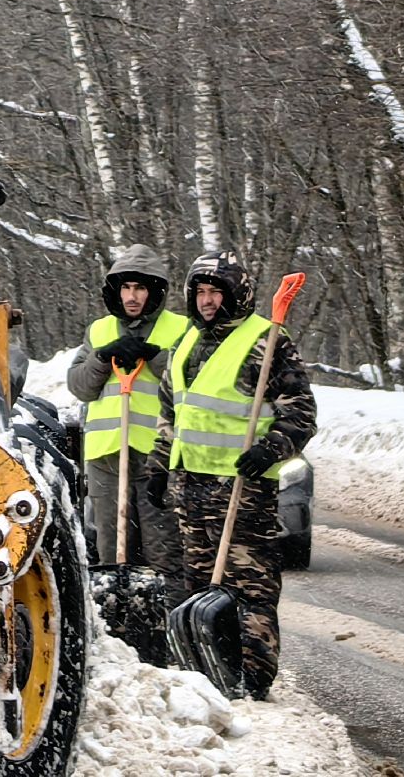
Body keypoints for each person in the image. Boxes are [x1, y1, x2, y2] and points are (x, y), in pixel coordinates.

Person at [146, 249, 316, 701]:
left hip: (242, 486)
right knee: (200, 583)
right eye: (200, 292)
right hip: (191, 486)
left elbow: (301, 413)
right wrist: (160, 464)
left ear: (236, 295)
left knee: (249, 584)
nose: (206, 301)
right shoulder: (186, 342)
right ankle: (208, 667)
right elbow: (172, 412)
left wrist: (271, 449)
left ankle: (253, 675)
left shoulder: (266, 341)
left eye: (215, 293)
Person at [66, 245, 189, 602]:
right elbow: (80, 386)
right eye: (125, 288)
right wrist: (102, 358)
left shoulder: (178, 328)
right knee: (113, 550)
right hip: (107, 457)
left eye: (140, 288)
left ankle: (165, 618)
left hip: (157, 457)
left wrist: (156, 357)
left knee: (162, 549)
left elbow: (193, 381)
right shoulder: (100, 330)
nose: (132, 297)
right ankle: (119, 620)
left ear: (154, 291)